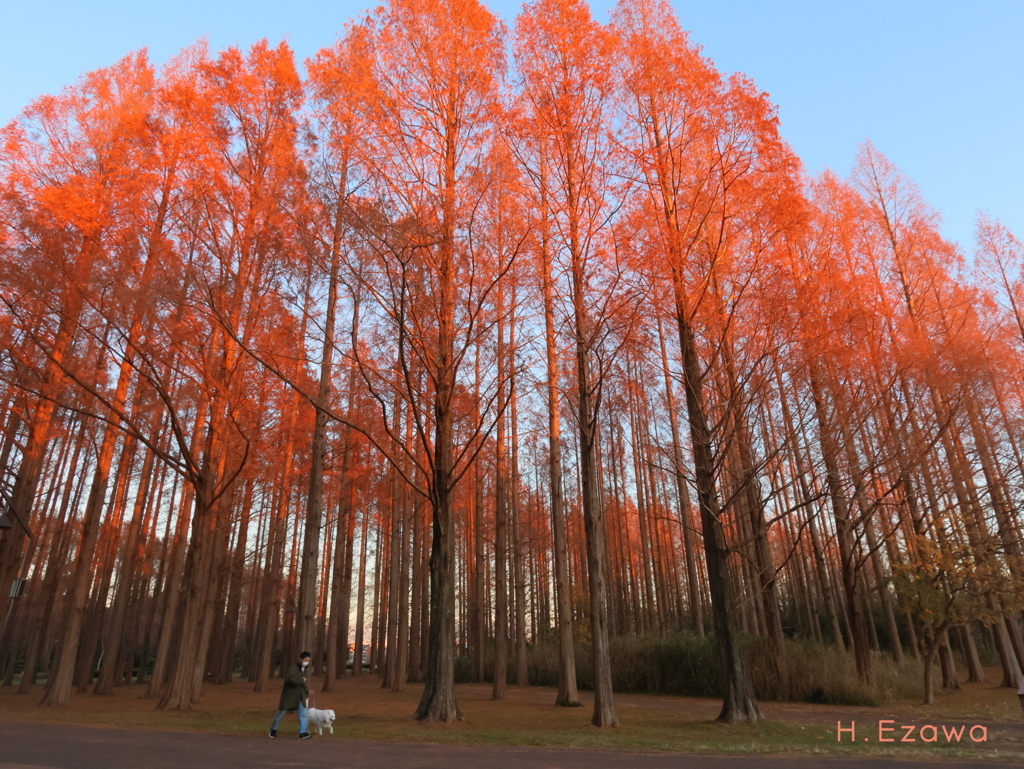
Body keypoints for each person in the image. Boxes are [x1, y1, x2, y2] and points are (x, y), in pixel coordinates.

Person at [268, 652, 314, 739]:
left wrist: (307, 691)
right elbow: (291, 680)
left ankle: (303, 732)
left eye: (308, 660)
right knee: (281, 712)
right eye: (305, 660)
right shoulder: (293, 668)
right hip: (289, 695)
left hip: (300, 695)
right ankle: (273, 729)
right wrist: (301, 680)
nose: (307, 662)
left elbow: (302, 683)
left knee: (303, 713)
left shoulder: (305, 669)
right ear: (301, 659)